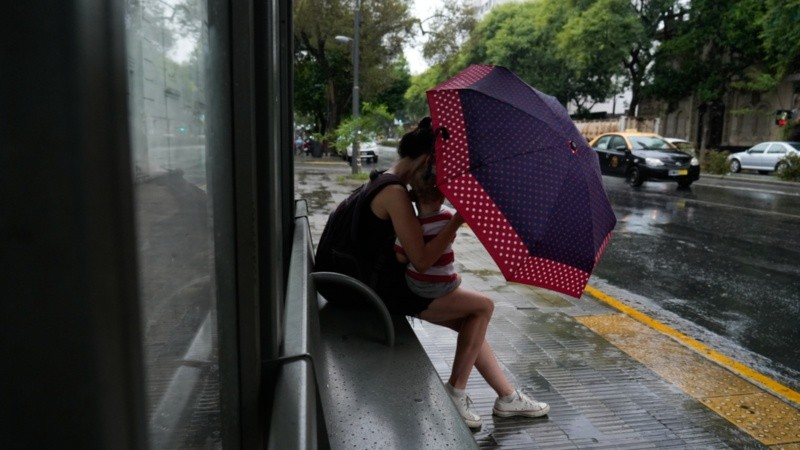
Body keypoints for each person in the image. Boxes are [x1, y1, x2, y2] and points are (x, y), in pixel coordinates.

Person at [322, 117, 550, 428]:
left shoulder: (383, 180)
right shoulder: (395, 193)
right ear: (429, 159)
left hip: (365, 283)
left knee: (471, 324)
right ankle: (456, 392)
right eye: (440, 166)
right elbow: (423, 261)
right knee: (483, 307)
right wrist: (455, 223)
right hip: (381, 291)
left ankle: (508, 397)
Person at [393, 168, 461, 299]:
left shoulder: (411, 225)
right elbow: (450, 239)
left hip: (415, 283)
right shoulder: (448, 218)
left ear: (414, 199)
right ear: (442, 199)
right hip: (443, 283)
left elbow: (400, 258)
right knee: (459, 278)